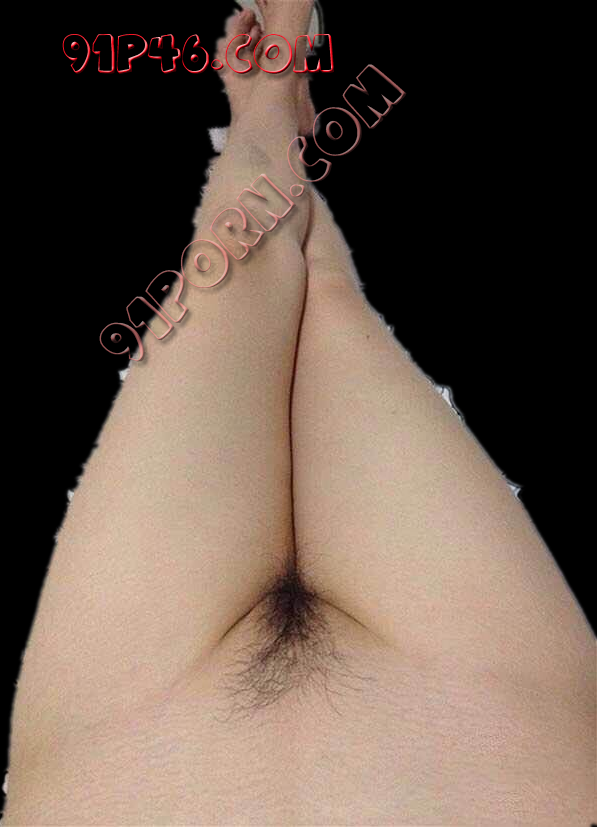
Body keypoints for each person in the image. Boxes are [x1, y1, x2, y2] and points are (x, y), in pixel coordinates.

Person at [3, 2, 594, 824]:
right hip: (493, 730)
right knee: (329, 301)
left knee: (242, 261)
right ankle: (275, 113)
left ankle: (267, 112)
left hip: (125, 740)